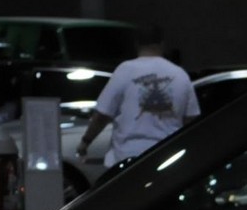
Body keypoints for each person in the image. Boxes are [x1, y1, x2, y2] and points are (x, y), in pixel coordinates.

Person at [79, 26, 199, 176]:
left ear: (136, 44)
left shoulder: (124, 70)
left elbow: (102, 115)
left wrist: (85, 142)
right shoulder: (180, 74)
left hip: (127, 158)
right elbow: (191, 119)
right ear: (162, 44)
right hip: (167, 158)